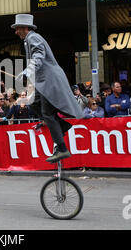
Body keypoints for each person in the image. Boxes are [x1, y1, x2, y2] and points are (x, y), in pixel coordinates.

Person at [13, 14, 83, 163]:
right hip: (43, 81)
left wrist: (27, 70)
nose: (16, 31)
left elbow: (39, 56)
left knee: (47, 112)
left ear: (25, 28)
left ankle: (62, 149)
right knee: (34, 103)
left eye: (17, 28)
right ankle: (62, 125)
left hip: (49, 80)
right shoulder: (29, 39)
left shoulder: (33, 38)